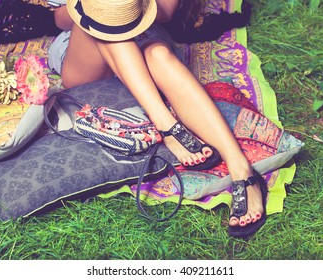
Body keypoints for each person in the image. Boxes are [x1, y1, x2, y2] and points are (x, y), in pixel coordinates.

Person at [52, 0, 266, 238]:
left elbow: (164, 12)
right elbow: (58, 18)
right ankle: (165, 123)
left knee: (159, 53)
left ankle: (241, 169)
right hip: (85, 49)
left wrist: (130, 5)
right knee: (105, 16)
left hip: (144, 30)